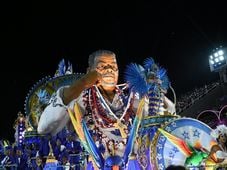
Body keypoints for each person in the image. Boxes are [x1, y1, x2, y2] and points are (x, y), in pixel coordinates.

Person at [37, 49, 175, 169]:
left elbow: (165, 116)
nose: (109, 70)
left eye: (113, 66)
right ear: (89, 71)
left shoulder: (132, 101)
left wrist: (155, 92)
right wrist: (82, 84)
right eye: (102, 66)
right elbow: (44, 128)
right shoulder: (78, 102)